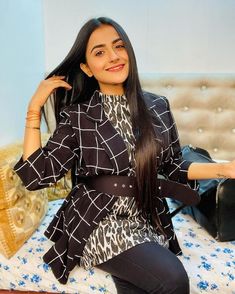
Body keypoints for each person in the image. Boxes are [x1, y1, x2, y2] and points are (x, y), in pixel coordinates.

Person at [14, 17, 235, 294]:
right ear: (87, 68)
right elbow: (38, 176)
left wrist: (224, 169)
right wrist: (33, 109)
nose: (114, 56)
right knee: (173, 279)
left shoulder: (157, 106)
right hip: (97, 221)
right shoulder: (78, 116)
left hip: (145, 218)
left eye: (119, 47)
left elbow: (174, 165)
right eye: (100, 52)